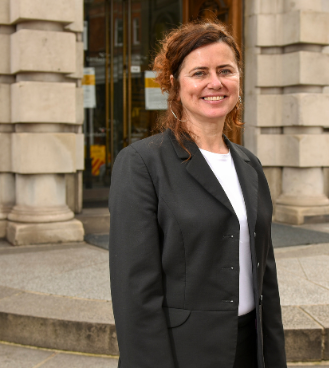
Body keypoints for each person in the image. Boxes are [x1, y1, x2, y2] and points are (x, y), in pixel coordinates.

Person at [108, 21, 287, 368]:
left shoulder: (250, 164)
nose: (215, 83)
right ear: (175, 84)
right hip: (183, 353)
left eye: (225, 70)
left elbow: (266, 276)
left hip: (251, 349)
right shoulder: (142, 164)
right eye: (199, 72)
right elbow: (136, 294)